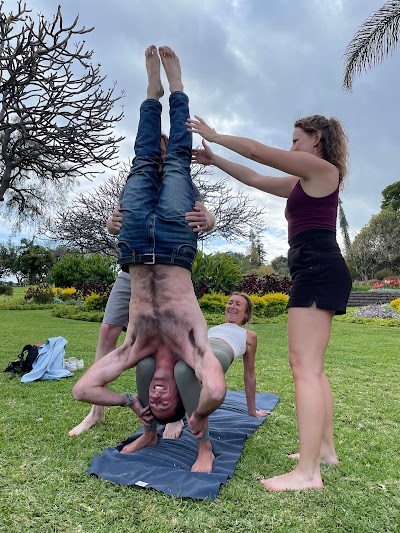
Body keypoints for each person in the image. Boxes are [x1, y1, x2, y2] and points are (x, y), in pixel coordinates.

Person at [72, 45, 226, 473]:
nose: (157, 398)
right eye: (165, 404)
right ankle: (177, 88)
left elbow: (82, 389)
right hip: (176, 241)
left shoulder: (132, 349)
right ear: (177, 396)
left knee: (142, 160)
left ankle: (150, 93)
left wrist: (128, 402)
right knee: (175, 159)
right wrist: (196, 417)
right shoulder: (193, 350)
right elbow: (213, 389)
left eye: (152, 404)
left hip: (136, 243)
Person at [187, 113, 352, 490]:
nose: (292, 146)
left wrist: (214, 135)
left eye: (296, 140)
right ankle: (324, 450)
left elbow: (260, 153)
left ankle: (309, 474)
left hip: (316, 267)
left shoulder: (321, 168)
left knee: (304, 368)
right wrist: (217, 161)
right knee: (314, 367)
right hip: (317, 267)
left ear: (316, 139)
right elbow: (257, 178)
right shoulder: (304, 180)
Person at [68, 141, 216, 438]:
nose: (160, 155)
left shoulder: (181, 182)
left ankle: (175, 415)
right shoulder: (137, 181)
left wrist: (208, 221)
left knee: (173, 335)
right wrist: (111, 224)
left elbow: (206, 216)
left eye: (164, 150)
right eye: (157, 150)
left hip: (167, 270)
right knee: (108, 329)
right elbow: (117, 223)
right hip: (133, 272)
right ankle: (96, 411)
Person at [124, 292, 270, 458]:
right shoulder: (213, 328)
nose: (232, 306)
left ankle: (204, 448)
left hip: (218, 352)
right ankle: (149, 433)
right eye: (230, 302)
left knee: (183, 371)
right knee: (146, 365)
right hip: (196, 349)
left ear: (246, 313)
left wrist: (252, 411)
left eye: (238, 304)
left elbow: (249, 374)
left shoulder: (249, 335)